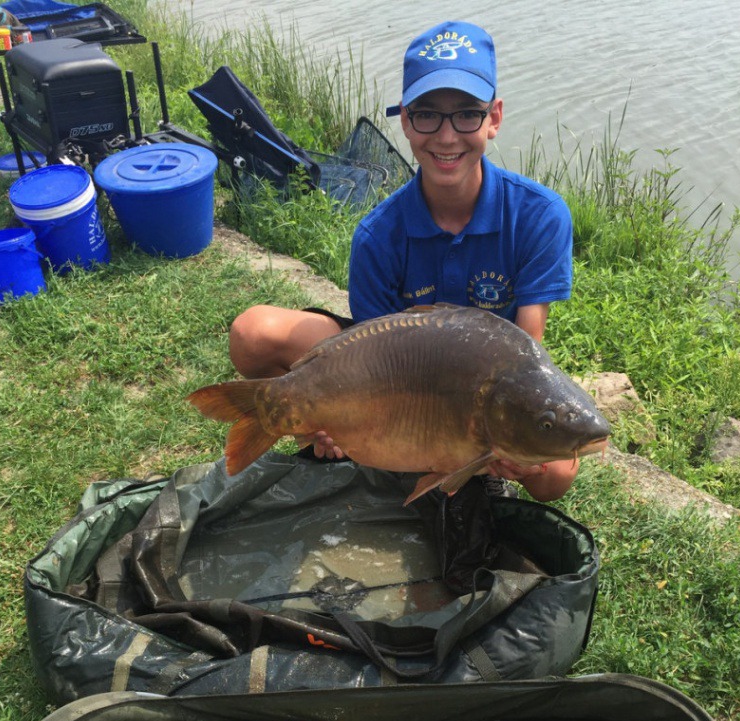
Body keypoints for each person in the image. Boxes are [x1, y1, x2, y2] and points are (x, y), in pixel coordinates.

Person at [229, 21, 576, 502]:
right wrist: (340, 424)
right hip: (394, 373)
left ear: (494, 117)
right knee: (252, 332)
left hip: (481, 385)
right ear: (406, 121)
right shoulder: (378, 234)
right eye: (428, 115)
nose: (447, 136)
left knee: (556, 472)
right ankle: (305, 421)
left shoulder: (539, 215)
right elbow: (377, 362)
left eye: (467, 115)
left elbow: (527, 357)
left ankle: (471, 459)